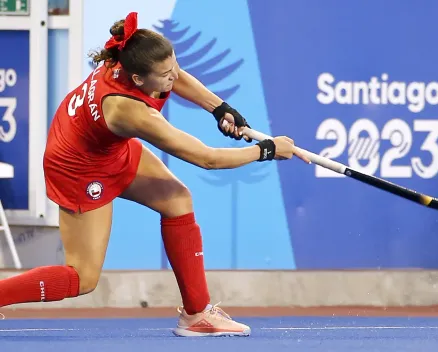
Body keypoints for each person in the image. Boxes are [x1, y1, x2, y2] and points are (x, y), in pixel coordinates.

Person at [0, 12, 308, 337]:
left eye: (173, 65)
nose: (172, 76)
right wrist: (267, 150)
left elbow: (174, 73)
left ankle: (197, 314)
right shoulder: (130, 112)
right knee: (83, 277)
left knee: (177, 200)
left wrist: (219, 108)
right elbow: (208, 159)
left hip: (103, 146)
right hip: (77, 167)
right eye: (164, 75)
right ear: (137, 80)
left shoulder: (134, 53)